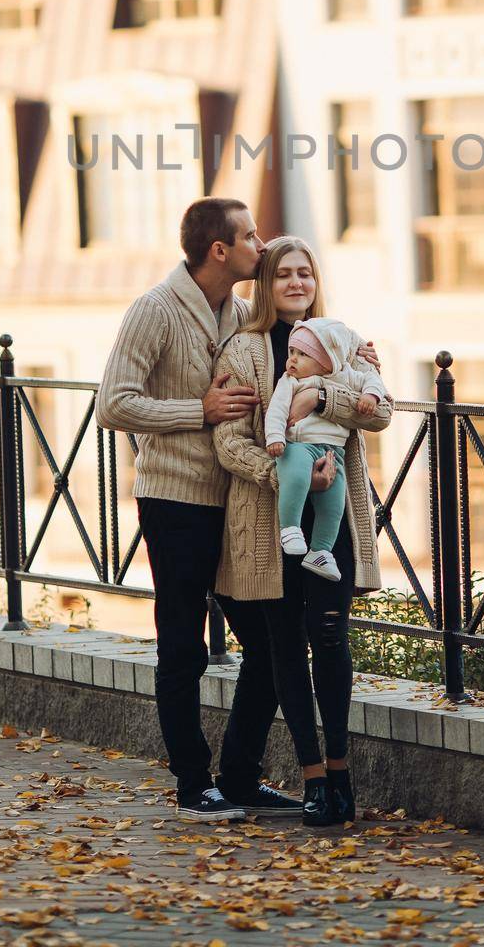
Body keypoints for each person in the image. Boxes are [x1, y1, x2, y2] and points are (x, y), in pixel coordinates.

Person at [96, 197, 306, 822]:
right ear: (220, 250)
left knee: (269, 644)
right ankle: (194, 784)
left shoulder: (244, 313)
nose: (262, 245)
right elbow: (113, 404)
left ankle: (240, 775)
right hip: (175, 501)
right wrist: (200, 411)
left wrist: (355, 364)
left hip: (240, 503)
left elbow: (297, 359)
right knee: (183, 647)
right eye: (250, 236)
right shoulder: (153, 311)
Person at [211, 237, 391, 827]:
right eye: (283, 273)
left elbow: (382, 411)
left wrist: (323, 392)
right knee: (286, 644)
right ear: (265, 283)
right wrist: (284, 475)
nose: (295, 282)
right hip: (269, 521)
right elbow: (229, 439)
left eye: (305, 273)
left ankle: (341, 772)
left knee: (332, 637)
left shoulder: (341, 340)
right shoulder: (243, 348)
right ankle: (312, 779)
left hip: (333, 518)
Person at [265, 318, 388, 583]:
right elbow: (276, 410)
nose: (293, 360)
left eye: (303, 354)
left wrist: (370, 396)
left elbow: (374, 382)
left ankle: (320, 551)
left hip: (334, 452)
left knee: (333, 505)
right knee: (295, 478)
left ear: (327, 360)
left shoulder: (345, 376)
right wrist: (275, 437)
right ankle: (290, 528)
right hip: (298, 446)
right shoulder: (291, 381)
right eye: (292, 353)